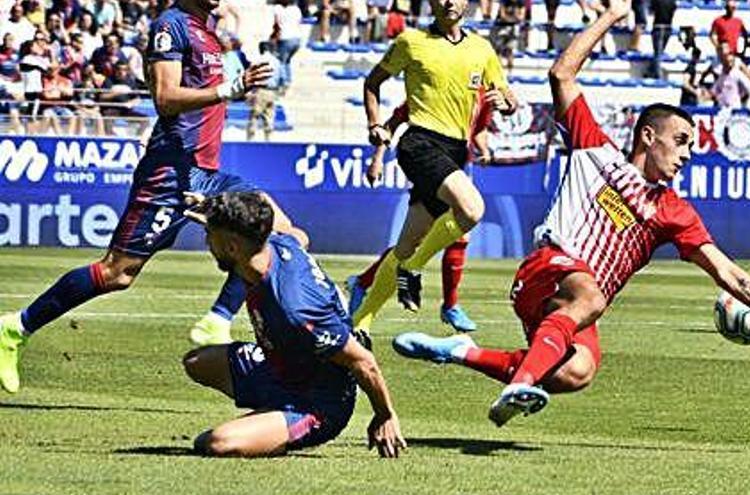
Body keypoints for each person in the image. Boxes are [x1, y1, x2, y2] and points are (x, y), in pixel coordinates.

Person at [392, 0, 750, 428]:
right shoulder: (594, 149)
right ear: (648, 136)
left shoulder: (674, 212)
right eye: (680, 141)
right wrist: (612, 15)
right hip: (546, 271)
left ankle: (461, 351)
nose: (686, 155)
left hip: (571, 307)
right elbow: (561, 74)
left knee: (576, 372)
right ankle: (520, 384)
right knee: (591, 297)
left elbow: (726, 272)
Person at [0, 0, 306, 394]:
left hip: (205, 174)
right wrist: (229, 88)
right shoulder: (172, 24)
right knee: (117, 273)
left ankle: (218, 317)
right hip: (170, 174)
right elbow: (164, 96)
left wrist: (235, 89)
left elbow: (205, 96)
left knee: (284, 233)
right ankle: (15, 328)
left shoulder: (208, 31)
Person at [180, 191, 406, 458]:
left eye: (210, 235)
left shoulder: (295, 308)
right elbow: (282, 218)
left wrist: (384, 414)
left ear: (232, 247)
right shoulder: (278, 242)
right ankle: (269, 416)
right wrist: (214, 207)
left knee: (216, 443)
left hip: (317, 403)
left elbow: (363, 362)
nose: (206, 241)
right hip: (281, 370)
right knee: (197, 363)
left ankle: (278, 422)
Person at [356, 0, 516, 337]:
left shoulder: (481, 49)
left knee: (405, 246)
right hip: (420, 142)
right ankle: (413, 271)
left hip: (456, 151)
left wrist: (507, 103)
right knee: (471, 211)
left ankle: (361, 320)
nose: (449, 2)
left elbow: (505, 95)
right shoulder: (410, 42)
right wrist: (374, 124)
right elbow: (373, 83)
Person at [348, 97, 494, 334]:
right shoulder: (435, 86)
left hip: (453, 164)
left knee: (412, 242)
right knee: (458, 228)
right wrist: (377, 160)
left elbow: (478, 128)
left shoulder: (483, 92)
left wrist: (484, 149)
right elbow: (392, 124)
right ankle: (449, 304)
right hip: (431, 161)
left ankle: (364, 285)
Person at [710, 43, 750, 108]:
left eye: (731, 62)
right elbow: (715, 90)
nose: (729, 64)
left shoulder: (737, 74)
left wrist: (741, 97)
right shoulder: (722, 75)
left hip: (734, 108)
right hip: (722, 108)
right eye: (727, 62)